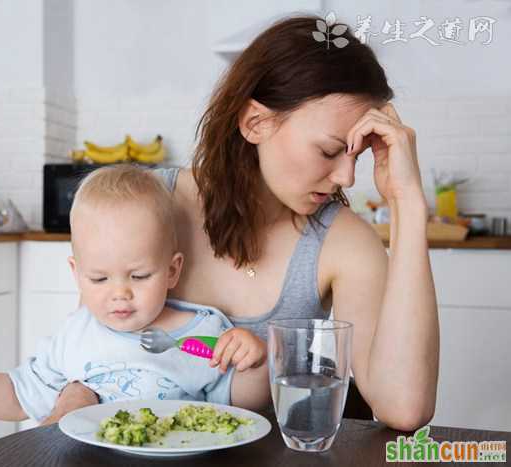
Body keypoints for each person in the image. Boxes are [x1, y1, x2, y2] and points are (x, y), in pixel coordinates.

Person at [47, 15, 439, 431]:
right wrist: (71, 399)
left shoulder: (344, 243)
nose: (347, 177)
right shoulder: (146, 206)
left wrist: (408, 204)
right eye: (329, 152)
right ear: (255, 123)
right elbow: (89, 349)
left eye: (355, 155)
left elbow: (405, 407)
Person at [0, 165, 270, 425]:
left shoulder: (204, 333)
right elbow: (17, 397)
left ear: (172, 271)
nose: (120, 294)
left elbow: (240, 408)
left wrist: (253, 364)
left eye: (140, 276)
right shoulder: (76, 335)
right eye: (99, 278)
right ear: (76, 274)